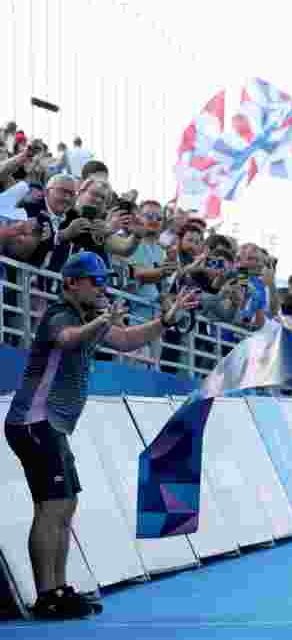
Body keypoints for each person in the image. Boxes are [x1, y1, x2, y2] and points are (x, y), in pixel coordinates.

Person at [3, 252, 199, 620]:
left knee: (64, 505)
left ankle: (57, 589)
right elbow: (68, 340)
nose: (101, 286)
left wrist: (166, 322)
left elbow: (126, 340)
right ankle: (46, 594)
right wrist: (101, 322)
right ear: (72, 283)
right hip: (35, 422)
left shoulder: (88, 316)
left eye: (102, 280)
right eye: (95, 281)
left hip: (50, 425)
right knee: (51, 508)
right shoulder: (60, 314)